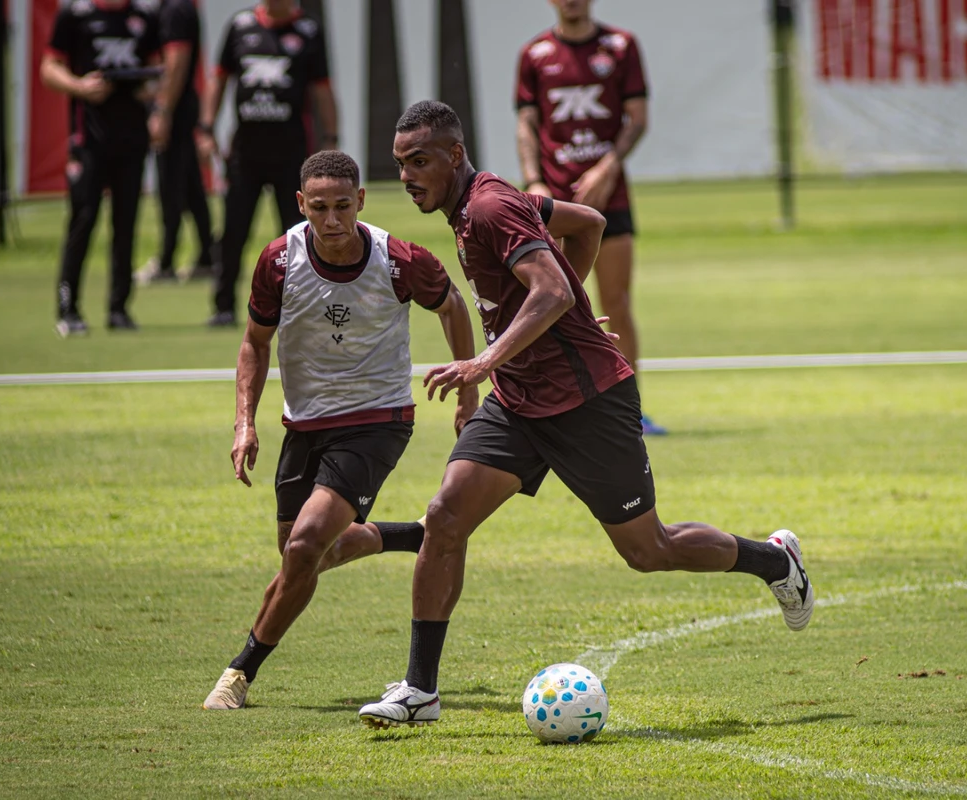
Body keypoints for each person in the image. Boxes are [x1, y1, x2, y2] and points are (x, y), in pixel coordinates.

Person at [356, 101, 813, 729]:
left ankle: (773, 560)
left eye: (420, 161)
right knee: (444, 517)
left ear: (456, 156)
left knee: (649, 551)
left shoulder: (491, 208)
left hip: (587, 400)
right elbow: (589, 223)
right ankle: (420, 691)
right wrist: (558, 316)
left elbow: (552, 287)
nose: (407, 176)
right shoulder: (473, 207)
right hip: (520, 401)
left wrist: (487, 357)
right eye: (400, 164)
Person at [202, 150, 478, 710]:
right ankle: (411, 536)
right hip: (304, 425)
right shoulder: (279, 261)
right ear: (301, 204)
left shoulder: (397, 260)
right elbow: (254, 343)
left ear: (362, 202)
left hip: (378, 421)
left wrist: (467, 389)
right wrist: (243, 424)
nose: (332, 220)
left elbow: (452, 305)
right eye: (320, 207)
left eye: (343, 207)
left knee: (305, 546)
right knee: (303, 558)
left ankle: (239, 673)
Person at [515, 0, 664, 435]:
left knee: (616, 302)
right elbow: (526, 123)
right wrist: (533, 181)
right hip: (554, 201)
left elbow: (636, 120)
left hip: (609, 198)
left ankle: (630, 411)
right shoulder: (535, 54)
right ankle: (556, 407)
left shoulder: (620, 46)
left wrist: (608, 166)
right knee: (554, 303)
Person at [198, 0, 339, 328]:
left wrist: (331, 139)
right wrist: (206, 129)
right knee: (234, 231)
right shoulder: (240, 26)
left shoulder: (308, 31)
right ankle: (223, 306)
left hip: (291, 154)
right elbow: (218, 80)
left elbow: (323, 90)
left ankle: (296, 302)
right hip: (245, 154)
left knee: (296, 234)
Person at [41, 0, 161, 336]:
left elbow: (156, 70)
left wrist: (147, 88)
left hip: (132, 140)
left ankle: (119, 308)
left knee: (126, 224)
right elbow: (49, 68)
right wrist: (81, 87)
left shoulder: (143, 17)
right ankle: (68, 308)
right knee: (84, 218)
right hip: (89, 139)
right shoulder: (75, 14)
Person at [135, 0, 216, 286]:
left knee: (170, 186)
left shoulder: (175, 8)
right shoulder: (174, 7)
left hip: (176, 109)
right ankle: (208, 254)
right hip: (179, 107)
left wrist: (163, 110)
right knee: (191, 184)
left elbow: (177, 59)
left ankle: (167, 260)